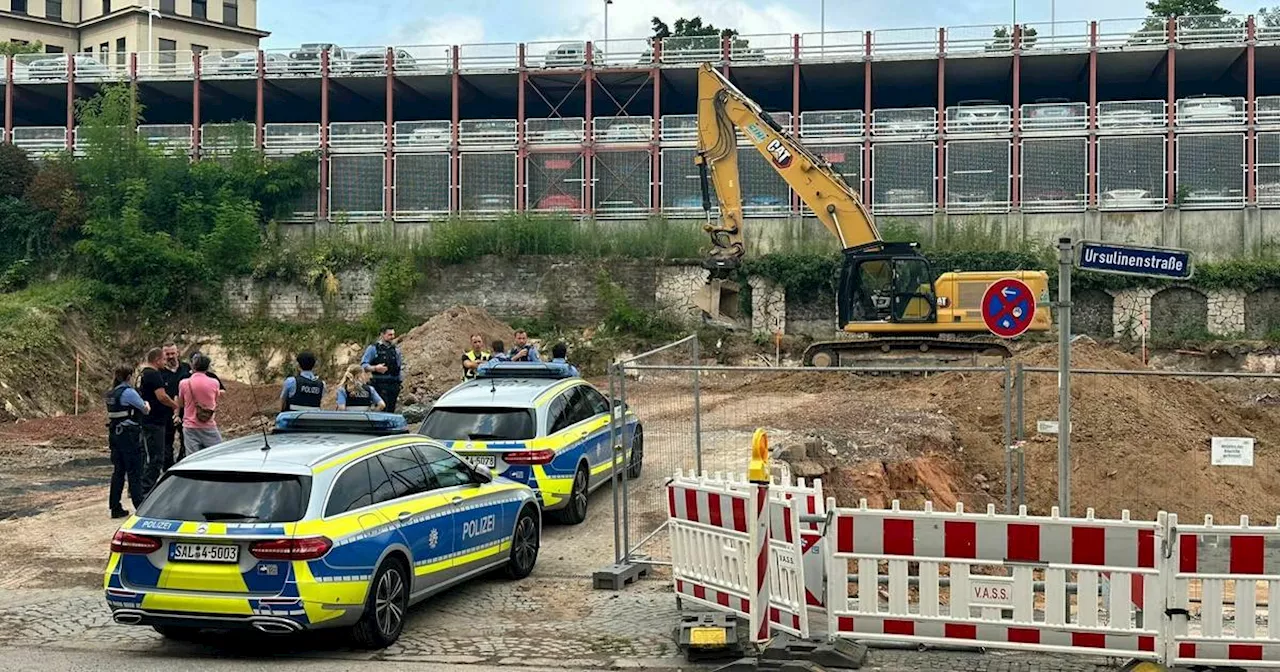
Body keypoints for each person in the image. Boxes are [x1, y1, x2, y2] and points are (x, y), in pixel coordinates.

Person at [105, 363, 149, 519]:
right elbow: (144, 409)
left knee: (118, 472)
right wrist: (147, 404)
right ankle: (140, 506)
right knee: (135, 471)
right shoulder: (128, 392)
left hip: (114, 435)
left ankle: (115, 506)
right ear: (129, 376)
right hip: (129, 436)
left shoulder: (111, 394)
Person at [138, 348, 178, 495]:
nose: (165, 362)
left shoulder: (142, 374)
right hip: (155, 421)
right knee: (156, 458)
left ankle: (142, 487)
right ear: (157, 360)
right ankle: (146, 490)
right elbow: (161, 396)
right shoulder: (154, 374)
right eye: (163, 359)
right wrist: (176, 406)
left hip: (147, 419)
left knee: (148, 454)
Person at [176, 354, 224, 455]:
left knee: (193, 457)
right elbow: (215, 401)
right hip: (208, 424)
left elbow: (180, 403)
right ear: (207, 367)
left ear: (193, 366)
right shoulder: (215, 383)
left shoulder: (184, 383)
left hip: (189, 426)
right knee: (218, 454)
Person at [159, 342, 189, 471]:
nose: (171, 356)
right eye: (167, 354)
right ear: (163, 355)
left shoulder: (187, 368)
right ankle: (168, 470)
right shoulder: (159, 372)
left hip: (186, 411)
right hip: (166, 412)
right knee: (166, 443)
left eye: (173, 353)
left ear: (178, 353)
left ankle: (183, 466)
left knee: (186, 442)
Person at [361, 326, 403, 413]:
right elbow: (364, 365)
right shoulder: (373, 349)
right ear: (382, 335)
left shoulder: (395, 349)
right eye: (390, 335)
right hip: (380, 385)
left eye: (393, 334)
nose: (392, 337)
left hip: (394, 385)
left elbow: (399, 366)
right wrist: (375, 368)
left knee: (391, 411)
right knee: (382, 410)